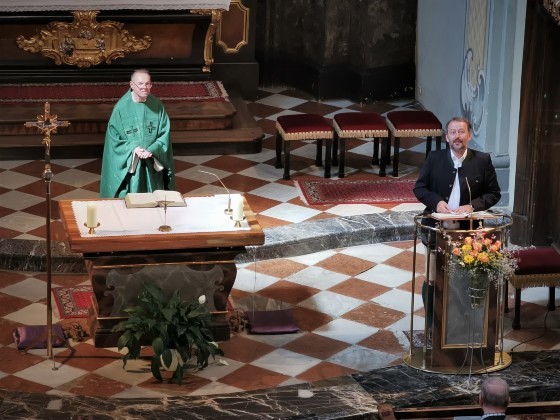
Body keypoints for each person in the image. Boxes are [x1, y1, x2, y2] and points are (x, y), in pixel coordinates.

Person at [413, 116, 501, 329]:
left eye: (461, 132)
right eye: (453, 132)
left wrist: (472, 206)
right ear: (447, 137)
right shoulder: (435, 158)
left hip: (469, 232)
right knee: (432, 278)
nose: (457, 136)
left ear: (469, 135)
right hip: (436, 231)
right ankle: (432, 326)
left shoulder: (482, 160)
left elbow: (494, 193)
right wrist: (437, 202)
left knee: (465, 279)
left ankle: (466, 325)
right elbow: (420, 188)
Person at [100, 69, 176, 198]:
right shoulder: (121, 108)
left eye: (148, 84)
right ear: (132, 85)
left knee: (153, 198)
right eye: (140, 84)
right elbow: (114, 137)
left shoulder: (157, 105)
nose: (144, 87)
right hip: (132, 161)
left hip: (151, 159)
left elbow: (164, 133)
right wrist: (134, 149)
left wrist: (152, 149)